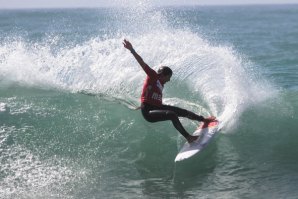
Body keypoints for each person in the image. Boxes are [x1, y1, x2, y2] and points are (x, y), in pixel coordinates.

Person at [123, 39, 216, 143]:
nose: (169, 80)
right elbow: (142, 62)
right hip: (148, 112)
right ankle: (188, 138)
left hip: (157, 107)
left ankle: (204, 120)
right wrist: (132, 49)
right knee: (172, 114)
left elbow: (149, 94)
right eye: (168, 77)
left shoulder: (161, 83)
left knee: (182, 111)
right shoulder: (153, 76)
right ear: (163, 75)